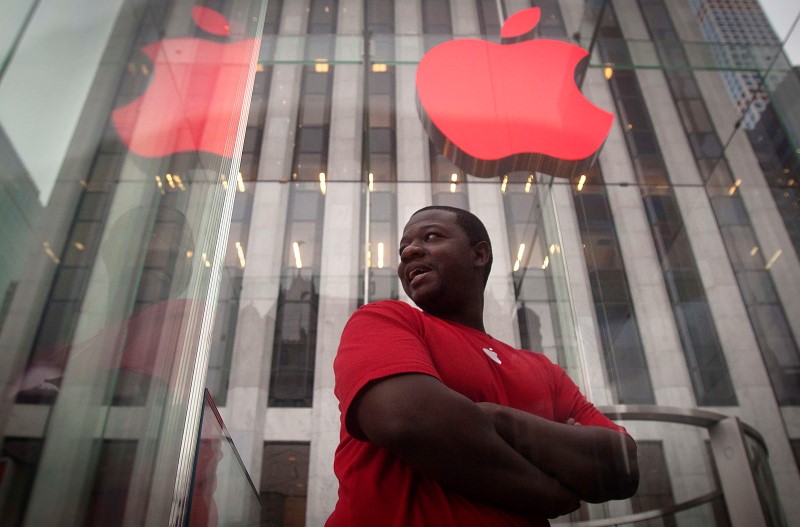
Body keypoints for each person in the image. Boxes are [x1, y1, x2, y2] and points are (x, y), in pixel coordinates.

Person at [326, 205, 639, 526]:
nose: (409, 251)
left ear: (480, 254)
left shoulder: (544, 369)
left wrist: (495, 418)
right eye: (403, 247)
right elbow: (405, 419)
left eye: (431, 236)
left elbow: (621, 464)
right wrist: (548, 489)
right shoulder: (384, 319)